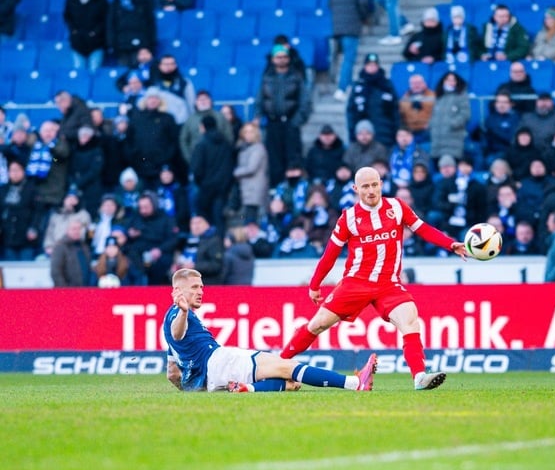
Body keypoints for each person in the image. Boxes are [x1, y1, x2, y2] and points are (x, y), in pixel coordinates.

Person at [280, 167, 468, 391]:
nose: (371, 190)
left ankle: (419, 376)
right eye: (365, 186)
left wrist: (451, 244)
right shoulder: (348, 218)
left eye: (374, 185)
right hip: (355, 283)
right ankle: (276, 366)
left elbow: (423, 229)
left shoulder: (397, 207)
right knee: (317, 325)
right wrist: (315, 285)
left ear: (381, 184)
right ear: (355, 189)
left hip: (389, 284)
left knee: (410, 321)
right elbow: (330, 254)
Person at [166, 268, 377, 393]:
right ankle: (355, 383)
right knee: (287, 367)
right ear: (177, 291)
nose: (201, 291)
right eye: (194, 287)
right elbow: (179, 332)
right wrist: (184, 312)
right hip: (220, 361)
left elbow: (172, 373)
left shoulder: (169, 321)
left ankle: (247, 389)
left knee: (287, 379)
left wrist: (196, 389)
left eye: (201, 287)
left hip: (215, 372)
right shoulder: (178, 315)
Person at [255, 43, 309, 187]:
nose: (282, 60)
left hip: (291, 123)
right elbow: (260, 98)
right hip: (273, 124)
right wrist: (258, 115)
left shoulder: (296, 77)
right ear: (273, 59)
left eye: (284, 57)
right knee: (274, 160)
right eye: (278, 57)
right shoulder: (267, 77)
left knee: (293, 159)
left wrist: (296, 121)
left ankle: (293, 193)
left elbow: (304, 101)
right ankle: (276, 195)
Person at [346, 53, 400, 149]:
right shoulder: (358, 86)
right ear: (365, 66)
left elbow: (395, 109)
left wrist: (396, 131)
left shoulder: (387, 85)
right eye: (369, 65)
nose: (372, 67)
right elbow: (351, 111)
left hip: (385, 134)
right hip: (363, 135)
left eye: (374, 65)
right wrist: (352, 132)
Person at [330, 0, 372, 101]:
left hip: (338, 27)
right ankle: (342, 88)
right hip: (351, 25)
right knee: (348, 59)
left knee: (346, 58)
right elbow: (363, 3)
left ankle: (348, 86)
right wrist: (364, 17)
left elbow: (330, 5)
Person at [0, 160, 40, 261]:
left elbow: (38, 211)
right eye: (12, 171)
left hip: (26, 237)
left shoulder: (31, 189)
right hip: (7, 237)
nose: (15, 173)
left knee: (26, 270)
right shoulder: (3, 189)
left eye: (17, 170)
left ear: (23, 171)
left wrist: (33, 228)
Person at [233, 123, 269, 225]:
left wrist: (235, 172)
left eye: (251, 132)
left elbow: (251, 168)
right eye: (246, 132)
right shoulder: (243, 148)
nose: (248, 135)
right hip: (245, 189)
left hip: (254, 189)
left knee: (250, 218)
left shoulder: (258, 148)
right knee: (245, 217)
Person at [106, 0, 156, 68]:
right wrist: (112, 44)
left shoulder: (143, 2)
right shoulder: (115, 4)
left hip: (141, 45)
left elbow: (150, 25)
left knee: (140, 73)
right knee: (124, 72)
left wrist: (149, 46)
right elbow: (111, 25)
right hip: (121, 46)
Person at [50, 217, 95, 287]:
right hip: (68, 293)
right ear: (67, 230)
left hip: (85, 291)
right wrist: (65, 291)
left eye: (79, 229)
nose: (77, 231)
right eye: (74, 229)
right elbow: (55, 272)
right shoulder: (60, 247)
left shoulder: (84, 246)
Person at [64, 0, 108, 72]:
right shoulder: (71, 1)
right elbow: (67, 16)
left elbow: (106, 19)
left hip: (96, 43)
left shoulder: (101, 1)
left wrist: (95, 32)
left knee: (94, 72)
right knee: (79, 73)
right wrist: (73, 30)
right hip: (77, 43)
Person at [482, 91, 521, 165]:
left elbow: (512, 138)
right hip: (491, 151)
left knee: (492, 160)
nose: (501, 105)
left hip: (509, 151)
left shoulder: (516, 118)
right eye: (498, 102)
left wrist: (494, 132)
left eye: (505, 102)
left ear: (511, 104)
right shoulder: (490, 118)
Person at [398, 73, 435, 142]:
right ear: (410, 85)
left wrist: (430, 124)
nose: (416, 85)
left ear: (424, 83)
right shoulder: (404, 99)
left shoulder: (433, 96)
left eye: (419, 83)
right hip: (410, 131)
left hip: (428, 130)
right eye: (414, 83)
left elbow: (438, 114)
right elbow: (401, 116)